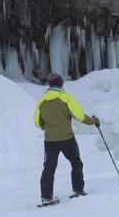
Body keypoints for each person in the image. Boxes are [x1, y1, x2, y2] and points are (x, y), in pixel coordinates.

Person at [33, 72, 100, 206]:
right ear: (61, 84)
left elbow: (36, 122)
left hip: (50, 140)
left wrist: (46, 126)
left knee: (49, 167)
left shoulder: (42, 100)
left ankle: (46, 197)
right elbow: (80, 117)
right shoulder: (66, 97)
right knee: (75, 162)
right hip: (67, 138)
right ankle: (78, 190)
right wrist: (93, 120)